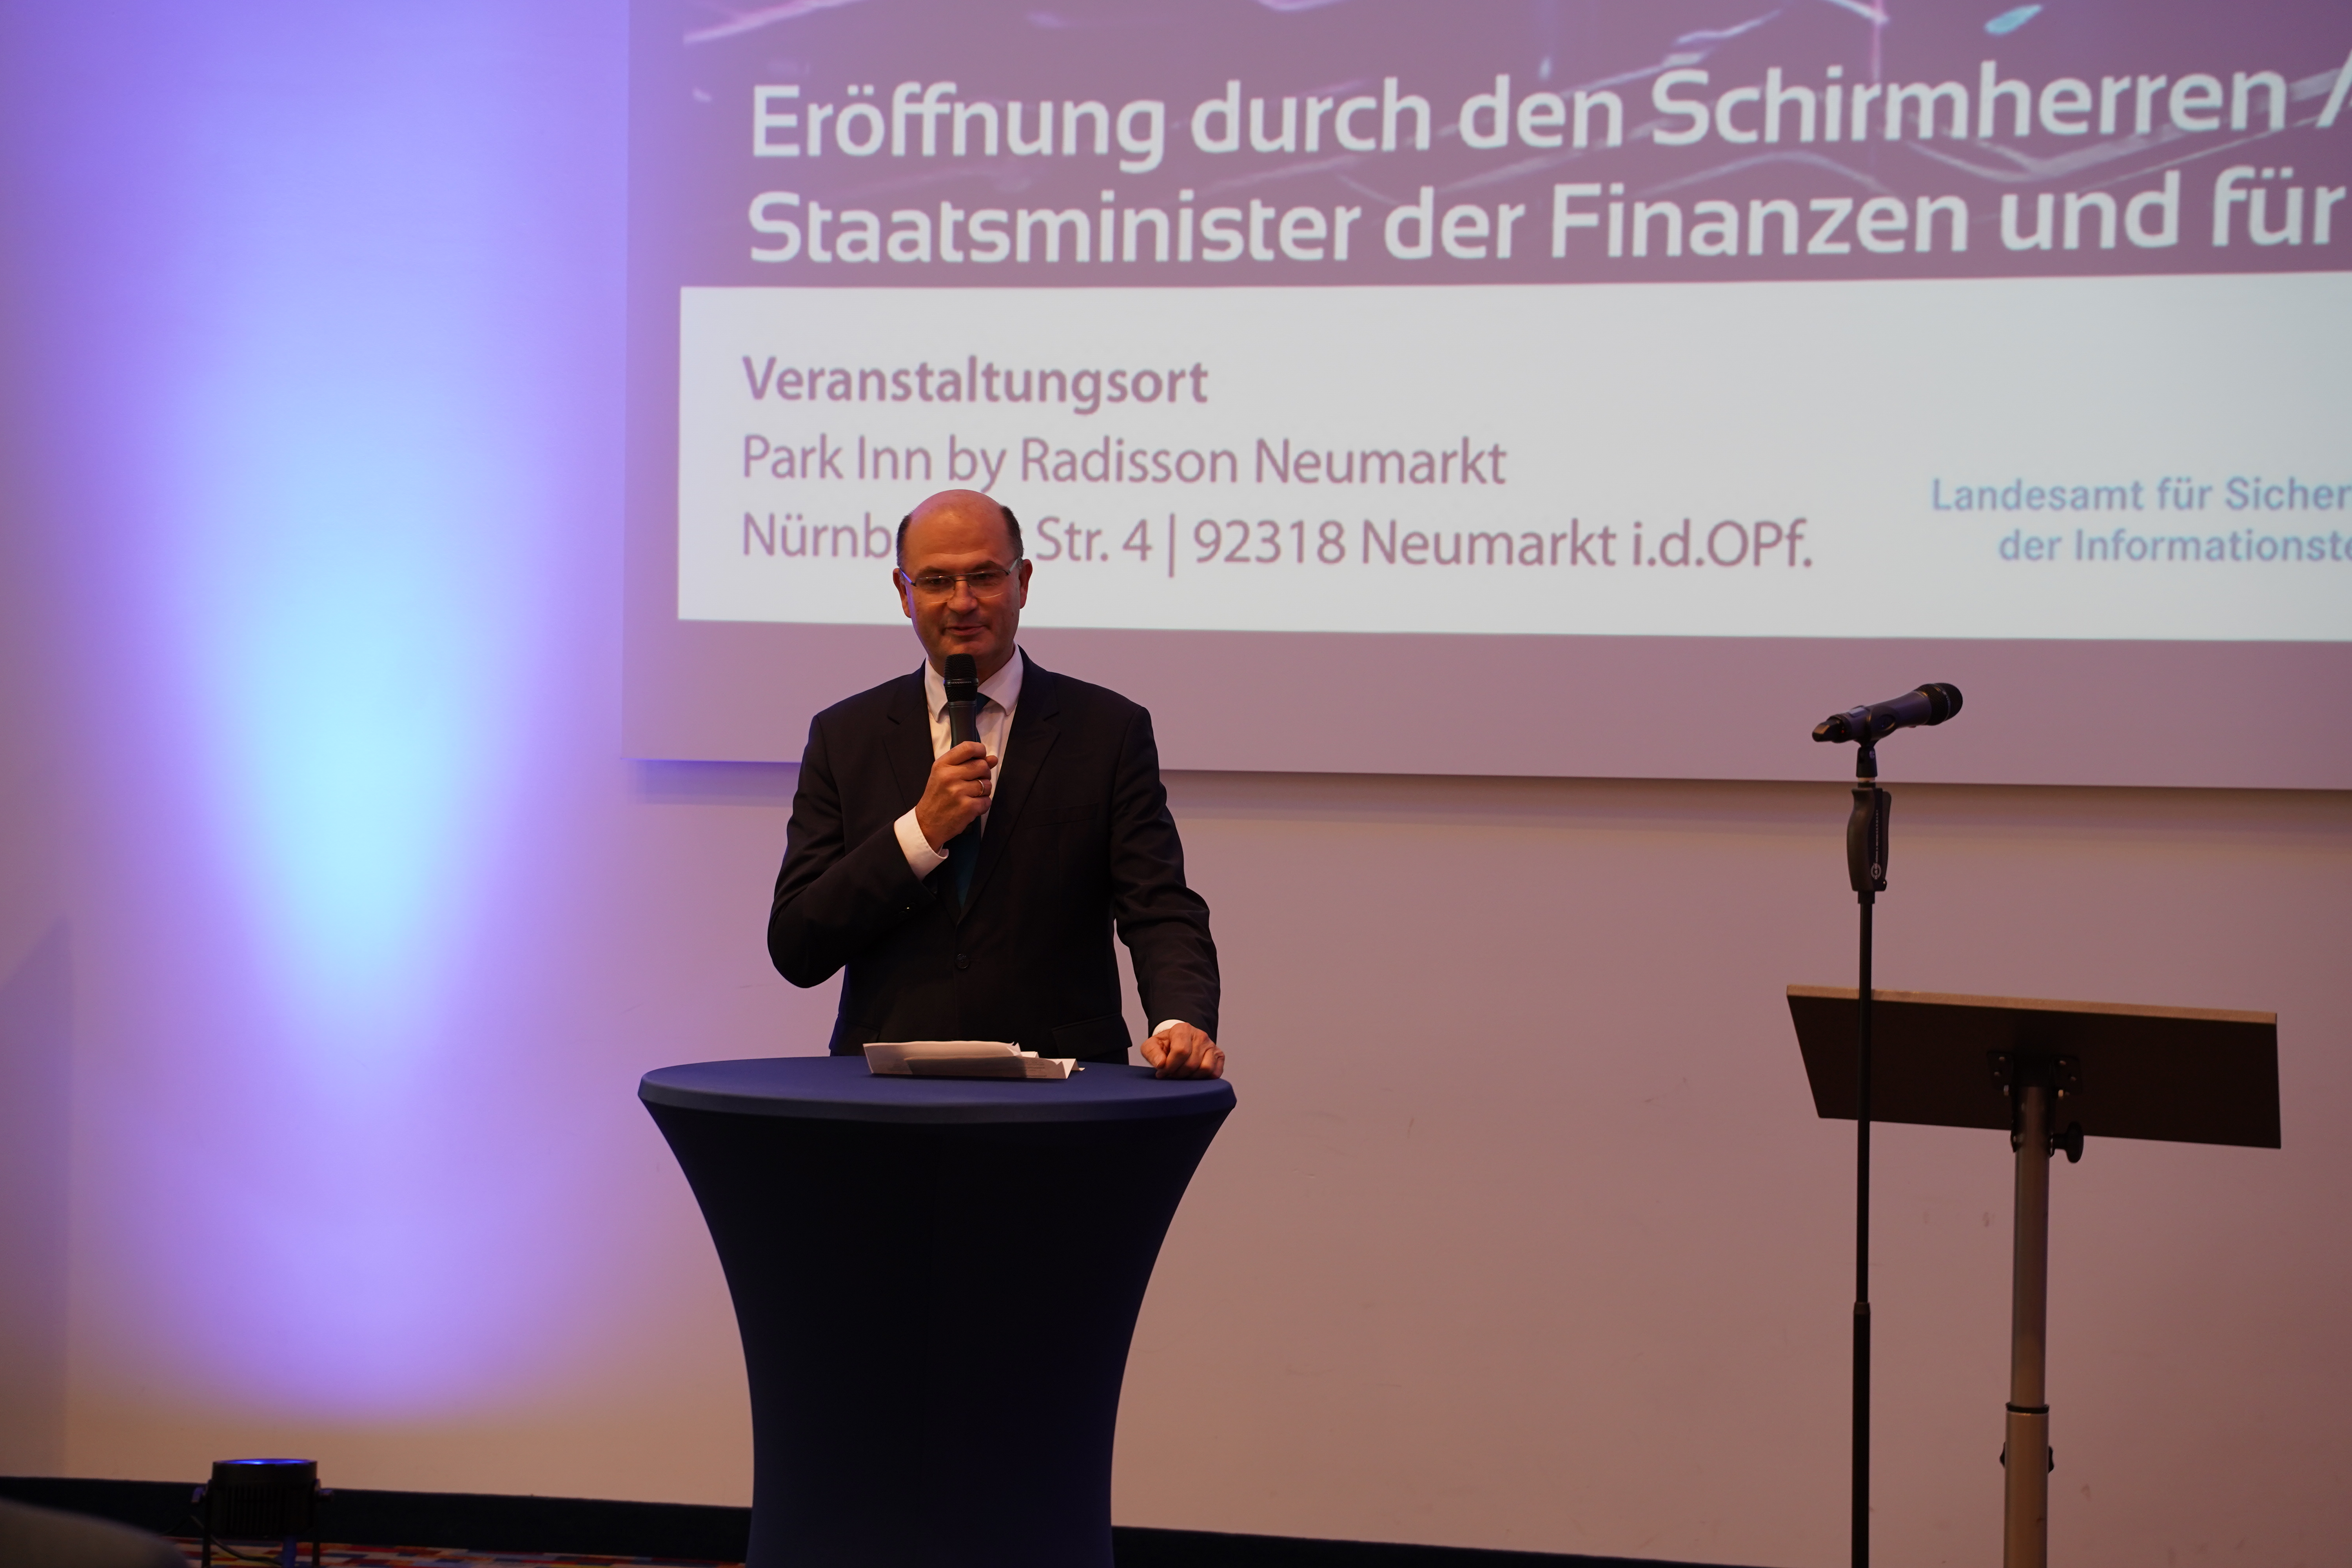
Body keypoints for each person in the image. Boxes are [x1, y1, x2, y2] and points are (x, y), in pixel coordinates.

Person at [767, 488, 1224, 1078]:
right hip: (887, 1090)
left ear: (1023, 582)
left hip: (1066, 1087)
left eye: (984, 576)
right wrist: (918, 834)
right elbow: (799, 946)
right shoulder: (845, 736)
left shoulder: (1107, 730)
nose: (962, 602)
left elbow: (1158, 905)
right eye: (936, 581)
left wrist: (1178, 1020)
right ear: (904, 593)